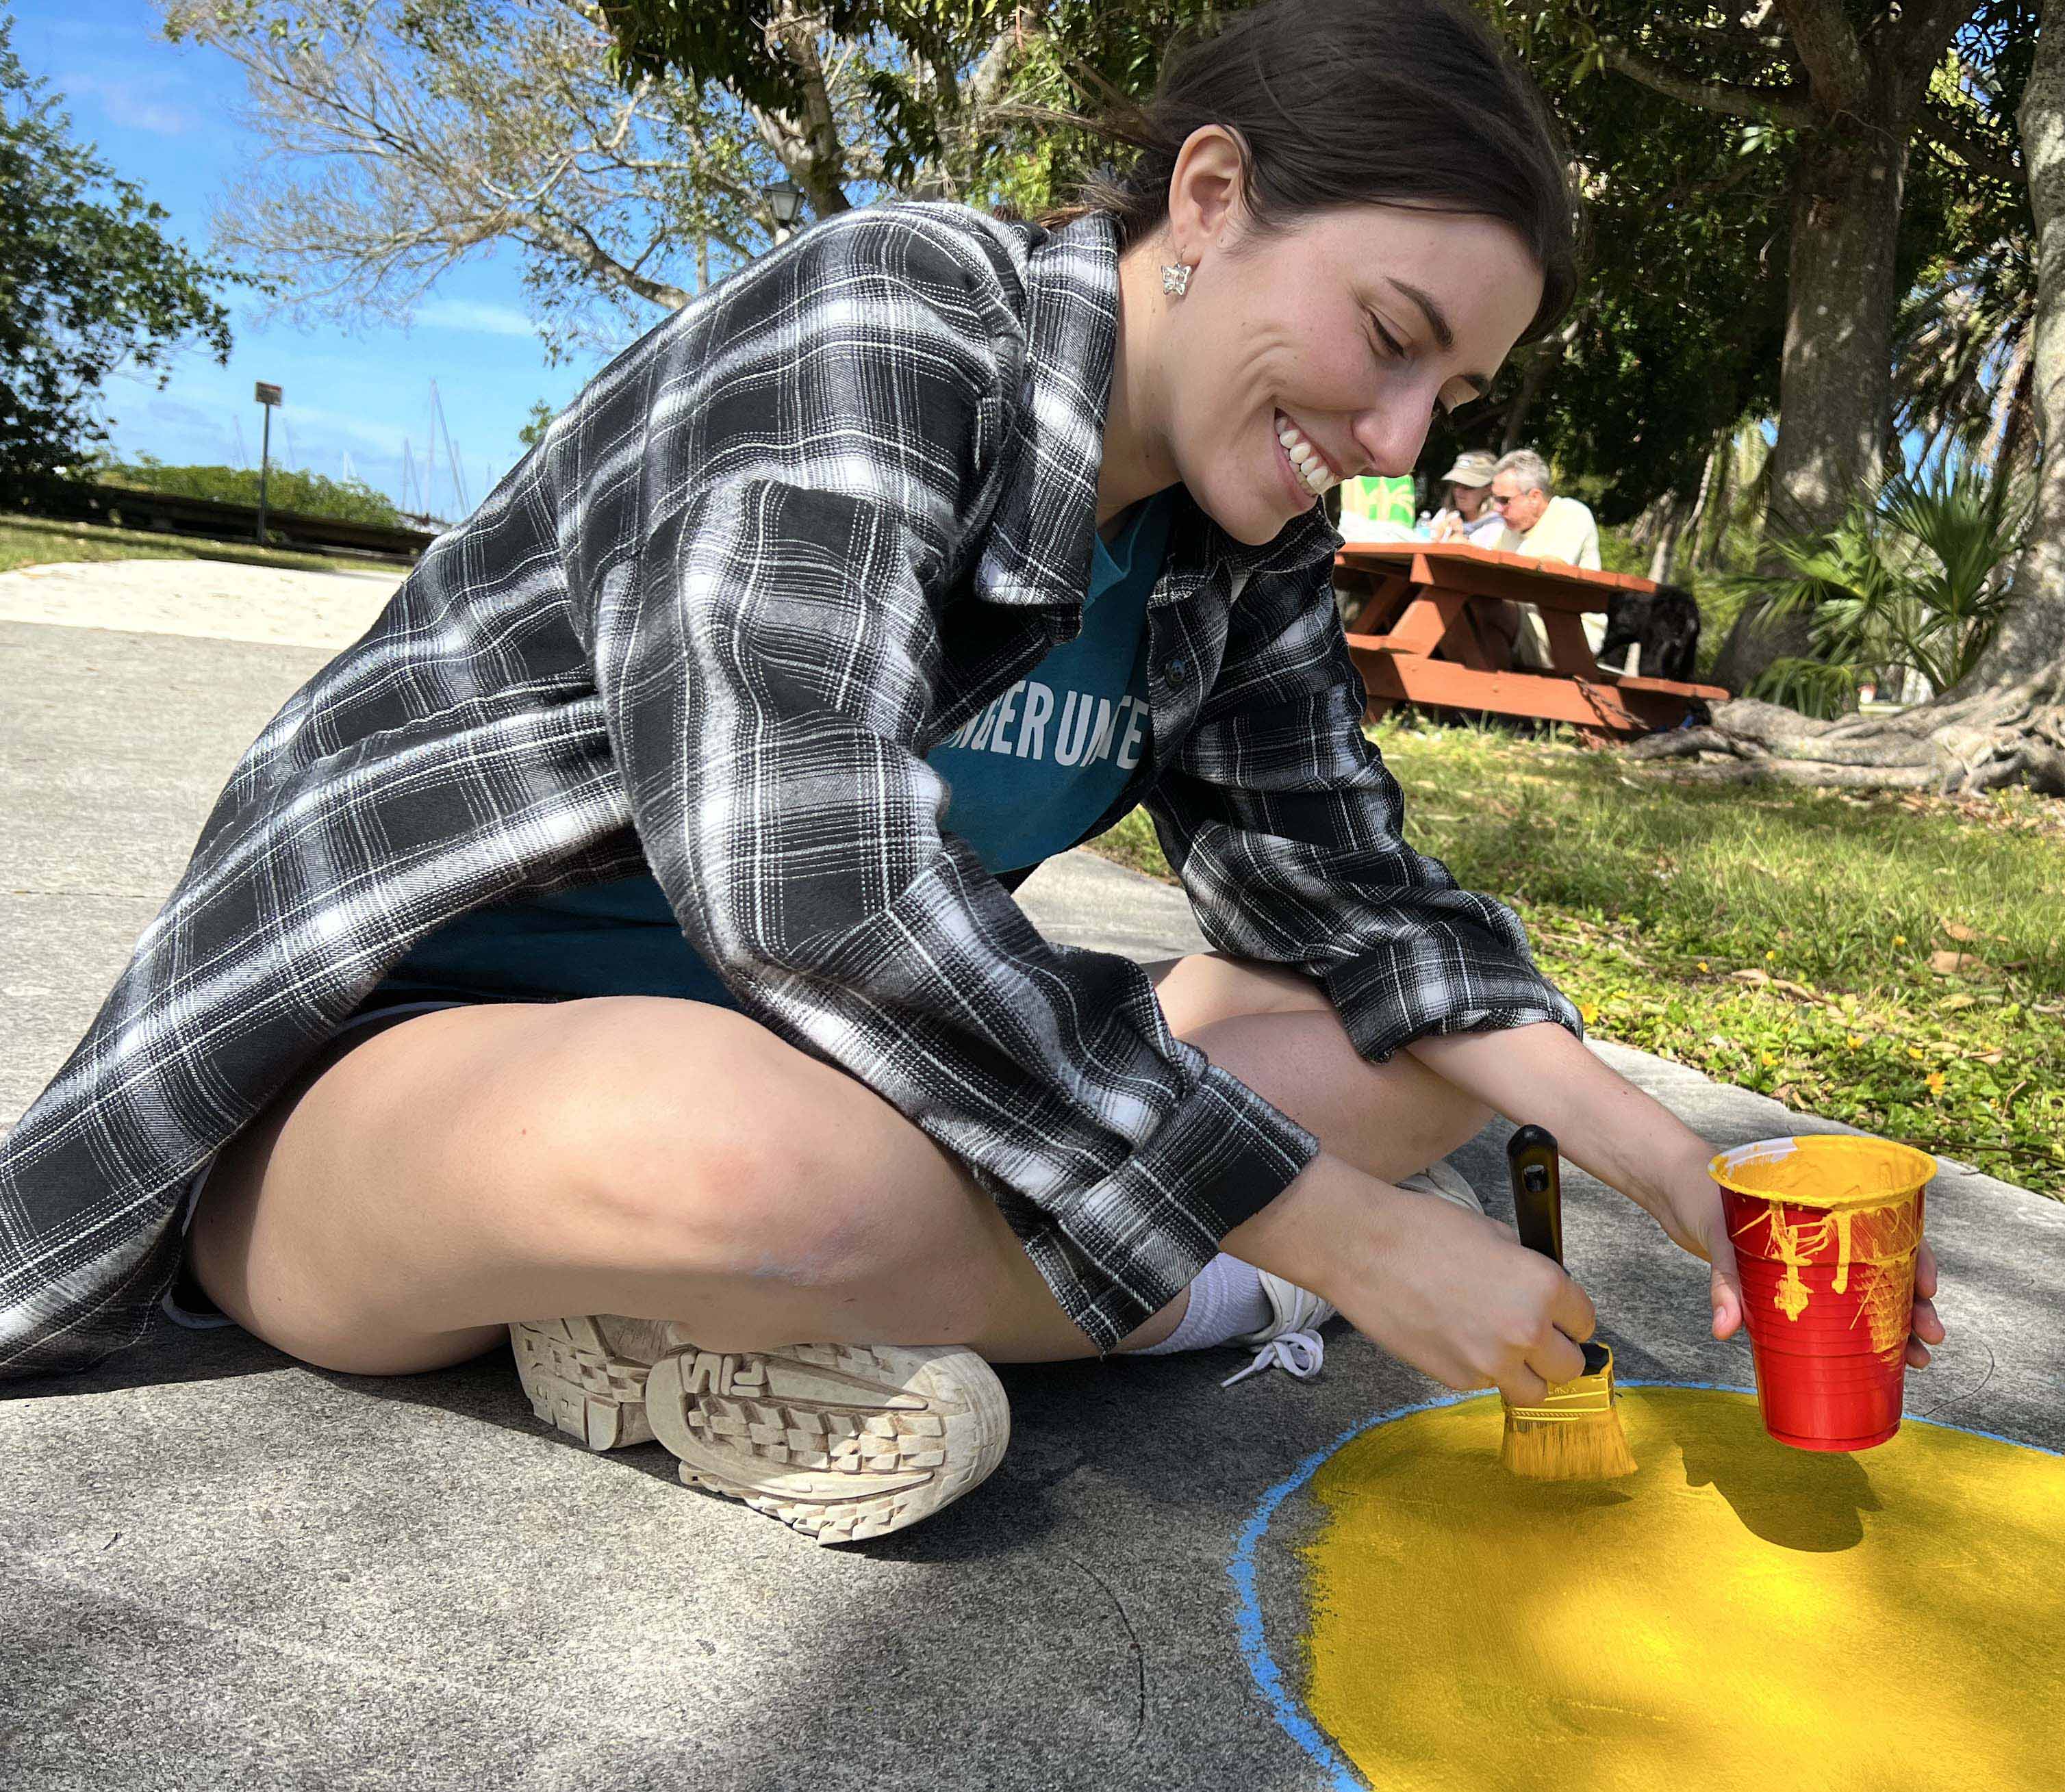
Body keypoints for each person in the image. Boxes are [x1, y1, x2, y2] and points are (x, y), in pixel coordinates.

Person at [0, 0, 1940, 1546]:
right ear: (1209, 193)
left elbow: (1355, 906)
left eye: (1451, 399)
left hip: (855, 1079)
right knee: (769, 1169)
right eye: (1390, 336)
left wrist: (1683, 1175)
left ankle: (701, 1340)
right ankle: (1165, 1299)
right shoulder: (885, 319)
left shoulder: (1236, 533)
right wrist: (1315, 1239)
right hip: (389, 1105)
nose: (1394, 432)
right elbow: (813, 890)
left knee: (1425, 1049)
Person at [1487, 448, 1606, 668]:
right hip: (1528, 622)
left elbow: (1551, 570)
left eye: (1504, 500)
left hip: (1569, 636)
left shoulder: (1571, 514)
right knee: (1466, 610)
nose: (1497, 509)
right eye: (1495, 499)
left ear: (1534, 497)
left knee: (1486, 608)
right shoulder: (1510, 531)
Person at [1422, 450, 1508, 544]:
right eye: (1456, 485)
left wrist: (1459, 539)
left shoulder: (1497, 525)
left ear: (1487, 490)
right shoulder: (1446, 513)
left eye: (1468, 487)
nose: (1459, 492)